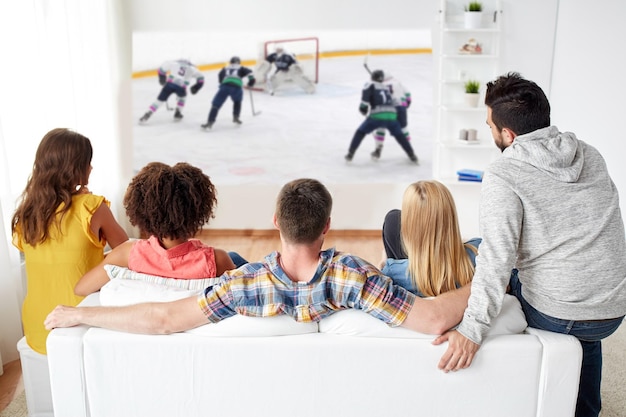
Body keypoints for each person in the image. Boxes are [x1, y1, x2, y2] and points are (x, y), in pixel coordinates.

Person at [45, 178, 470, 337]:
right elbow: (433, 318)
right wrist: (485, 279)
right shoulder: (355, 276)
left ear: (275, 222)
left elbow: (163, 320)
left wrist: (84, 315)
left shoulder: (245, 283)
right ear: (327, 226)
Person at [434, 72, 626, 417]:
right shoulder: (590, 154)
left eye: (490, 125)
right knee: (583, 325)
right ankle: (586, 410)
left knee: (482, 254)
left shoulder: (504, 173)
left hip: (559, 312)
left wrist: (472, 330)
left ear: (508, 135)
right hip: (613, 307)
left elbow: (497, 259)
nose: (491, 131)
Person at [11, 128, 129, 354]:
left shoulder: (26, 214)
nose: (91, 167)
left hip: (36, 326)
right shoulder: (92, 207)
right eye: (87, 162)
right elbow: (126, 251)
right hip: (77, 322)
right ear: (74, 168)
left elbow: (58, 259)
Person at [74, 162, 242, 296]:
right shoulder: (217, 259)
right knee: (236, 257)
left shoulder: (127, 253)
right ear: (198, 211)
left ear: (141, 210)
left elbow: (80, 289)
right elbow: (240, 293)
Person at [380, 180, 480, 297]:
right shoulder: (480, 251)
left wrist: (383, 262)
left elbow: (379, 284)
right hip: (458, 269)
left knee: (392, 219)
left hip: (415, 276)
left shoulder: (394, 271)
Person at [345, 70, 418, 164]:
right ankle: (412, 155)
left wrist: (363, 109)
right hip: (392, 115)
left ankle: (350, 154)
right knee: (400, 136)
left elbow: (364, 102)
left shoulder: (369, 85)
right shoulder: (386, 87)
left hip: (377, 116)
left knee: (360, 132)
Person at [139, 59, 204, 123]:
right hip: (181, 87)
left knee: (159, 101)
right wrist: (196, 87)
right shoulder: (193, 68)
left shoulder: (173, 63)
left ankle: (148, 113)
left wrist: (162, 78)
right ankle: (178, 113)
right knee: (182, 98)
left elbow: (161, 70)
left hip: (169, 84)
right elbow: (201, 78)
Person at [201, 56, 256, 129]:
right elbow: (250, 73)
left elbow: (220, 75)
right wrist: (251, 81)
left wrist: (222, 82)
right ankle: (236, 117)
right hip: (236, 87)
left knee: (216, 104)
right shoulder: (241, 67)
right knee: (237, 101)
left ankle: (210, 122)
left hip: (225, 87)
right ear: (239, 62)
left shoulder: (226, 67)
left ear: (231, 62)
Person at [370, 72, 412, 161]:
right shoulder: (397, 82)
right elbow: (408, 95)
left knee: (380, 128)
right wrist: (406, 104)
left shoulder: (379, 85)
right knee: (403, 128)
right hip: (401, 107)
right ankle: (410, 152)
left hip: (388, 109)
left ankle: (378, 149)